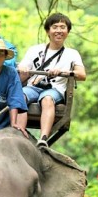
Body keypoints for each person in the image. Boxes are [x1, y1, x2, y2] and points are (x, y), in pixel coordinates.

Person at [16, 12, 87, 147]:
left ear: (68, 31)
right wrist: (23, 68)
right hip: (33, 87)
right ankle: (19, 132)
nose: (59, 30)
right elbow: (23, 67)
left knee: (47, 99)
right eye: (55, 27)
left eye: (62, 27)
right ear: (48, 31)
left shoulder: (72, 54)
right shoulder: (35, 50)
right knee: (20, 96)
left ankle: (43, 138)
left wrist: (64, 72)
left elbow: (82, 74)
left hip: (54, 90)